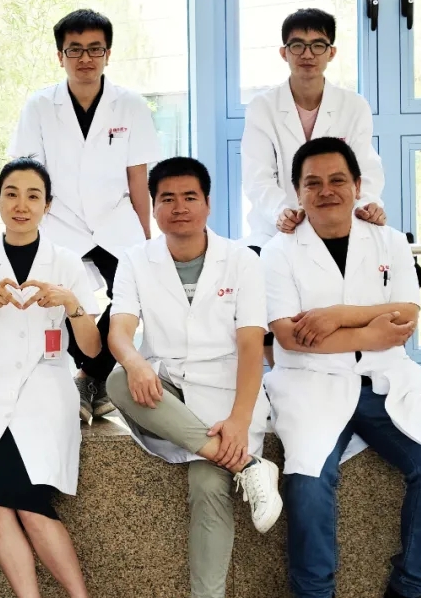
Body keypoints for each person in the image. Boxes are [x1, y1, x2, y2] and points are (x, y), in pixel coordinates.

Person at [261, 137, 421, 598]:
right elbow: (289, 336)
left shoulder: (390, 241)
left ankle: (411, 586)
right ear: (298, 192)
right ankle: (314, 592)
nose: (326, 191)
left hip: (384, 380)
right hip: (311, 384)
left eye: (337, 180)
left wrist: (335, 316)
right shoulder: (278, 251)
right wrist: (370, 331)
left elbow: (406, 315)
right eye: (312, 183)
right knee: (307, 483)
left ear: (357, 185)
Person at [104, 157, 283, 598]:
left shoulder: (242, 261)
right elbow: (120, 331)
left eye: (189, 197)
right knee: (117, 381)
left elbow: (251, 347)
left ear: (207, 203)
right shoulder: (135, 260)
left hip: (228, 392)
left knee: (207, 483)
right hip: (167, 389)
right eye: (167, 198)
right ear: (153, 208)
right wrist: (136, 362)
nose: (179, 207)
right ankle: (247, 466)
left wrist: (239, 420)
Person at [0, 158, 100, 598]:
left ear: (47, 205)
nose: (21, 205)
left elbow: (92, 349)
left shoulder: (67, 264)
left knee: (27, 504)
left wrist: (72, 304)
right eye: (11, 194)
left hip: (46, 396)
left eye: (33, 196)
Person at [9, 8, 161, 423]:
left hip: (115, 218)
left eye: (95, 49)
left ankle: (88, 376)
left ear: (108, 54)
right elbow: (28, 171)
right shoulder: (40, 106)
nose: (85, 58)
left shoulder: (129, 105)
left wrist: (145, 235)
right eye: (74, 49)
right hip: (60, 219)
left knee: (137, 292)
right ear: (60, 56)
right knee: (55, 298)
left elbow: (138, 176)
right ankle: (87, 378)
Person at [242, 7, 385, 250]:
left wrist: (367, 205)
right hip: (277, 231)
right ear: (284, 53)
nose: (307, 54)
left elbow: (366, 169)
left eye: (318, 45)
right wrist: (283, 212)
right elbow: (257, 177)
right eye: (297, 45)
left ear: (331, 52)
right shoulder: (262, 108)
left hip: (338, 225)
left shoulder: (354, 106)